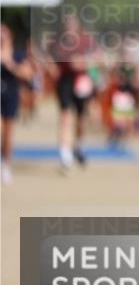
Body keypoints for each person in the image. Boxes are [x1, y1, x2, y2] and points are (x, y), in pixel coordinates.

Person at [45, 16, 98, 172]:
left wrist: (84, 63)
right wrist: (53, 69)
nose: (70, 28)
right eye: (67, 25)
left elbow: (96, 59)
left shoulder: (86, 40)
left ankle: (78, 146)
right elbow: (49, 58)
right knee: (65, 117)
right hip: (65, 82)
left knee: (81, 120)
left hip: (81, 82)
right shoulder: (57, 42)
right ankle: (65, 155)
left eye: (72, 25)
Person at [1, 23, 34, 184]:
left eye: (4, 34)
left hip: (11, 96)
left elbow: (28, 74)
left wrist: (10, 65)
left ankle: (6, 165)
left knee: (8, 135)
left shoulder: (17, 54)